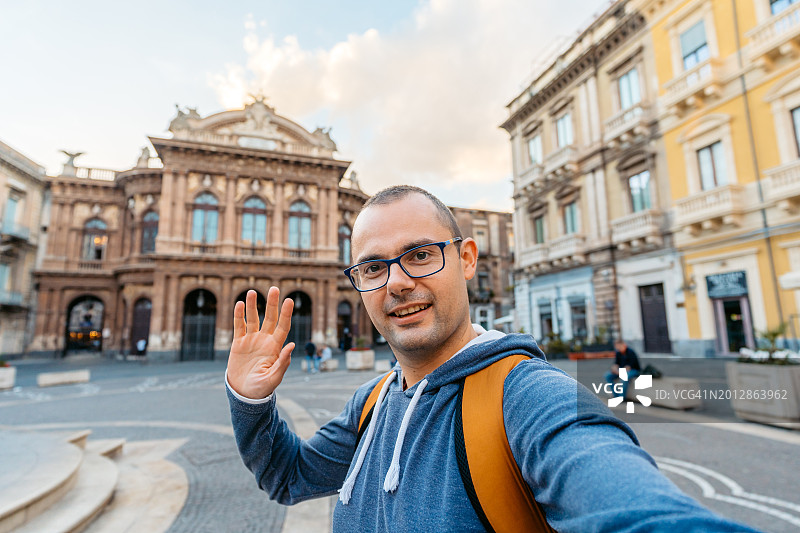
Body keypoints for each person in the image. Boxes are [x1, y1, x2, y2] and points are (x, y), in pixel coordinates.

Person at [225, 185, 758, 532]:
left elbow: (636, 509)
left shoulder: (528, 395)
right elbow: (288, 477)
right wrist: (251, 400)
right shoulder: (372, 403)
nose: (398, 282)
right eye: (372, 268)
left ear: (466, 258)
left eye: (419, 255)